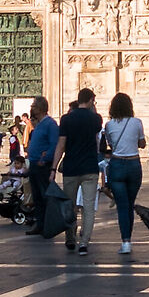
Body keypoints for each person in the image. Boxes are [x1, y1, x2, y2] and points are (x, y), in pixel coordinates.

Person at [56, 87, 103, 250]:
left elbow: (61, 145)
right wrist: (93, 109)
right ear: (90, 100)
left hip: (71, 168)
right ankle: (84, 243)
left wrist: (53, 168)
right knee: (88, 207)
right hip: (90, 168)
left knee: (70, 205)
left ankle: (70, 238)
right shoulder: (96, 119)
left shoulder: (66, 119)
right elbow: (97, 130)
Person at [102, 92, 146, 253]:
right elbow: (142, 144)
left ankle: (125, 242)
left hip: (117, 165)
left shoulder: (109, 125)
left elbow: (110, 145)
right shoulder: (137, 122)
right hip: (134, 165)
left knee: (122, 205)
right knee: (130, 203)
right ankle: (128, 239)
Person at [24, 95, 58, 233]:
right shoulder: (38, 124)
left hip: (42, 165)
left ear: (40, 108)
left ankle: (47, 224)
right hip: (34, 163)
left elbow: (54, 144)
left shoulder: (50, 124)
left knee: (44, 195)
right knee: (37, 196)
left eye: (33, 106)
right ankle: (40, 223)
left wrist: (44, 159)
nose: (31, 109)